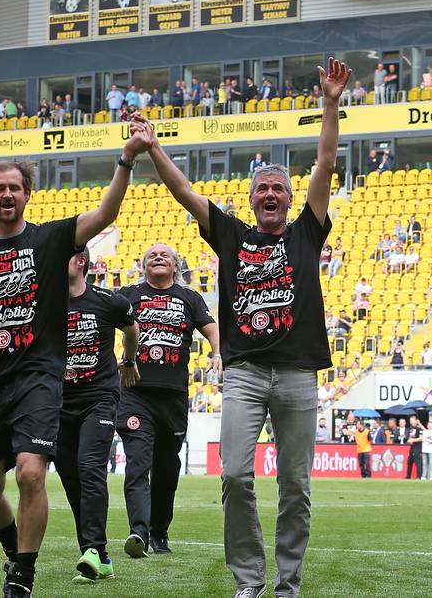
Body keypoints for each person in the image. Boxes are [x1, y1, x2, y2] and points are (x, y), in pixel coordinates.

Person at [0, 117, 151, 597]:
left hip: (38, 376)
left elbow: (104, 214)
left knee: (31, 472)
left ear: (27, 194)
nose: (7, 195)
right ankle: (13, 547)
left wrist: (125, 160)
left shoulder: (50, 239)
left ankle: (23, 575)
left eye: (15, 187)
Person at [140, 58, 348, 598]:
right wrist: (153, 147)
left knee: (297, 486)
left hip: (300, 373)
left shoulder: (306, 232)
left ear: (288, 196)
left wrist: (329, 103)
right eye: (263, 189)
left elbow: (324, 164)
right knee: (234, 477)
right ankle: (250, 579)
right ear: (253, 198)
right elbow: (184, 192)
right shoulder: (231, 235)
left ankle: (288, 581)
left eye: (279, 187)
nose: (272, 194)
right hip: (246, 374)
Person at [117, 243, 220, 558]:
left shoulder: (190, 298)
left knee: (166, 468)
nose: (158, 258)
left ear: (175, 266)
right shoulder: (127, 295)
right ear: (143, 265)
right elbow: (99, 322)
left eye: (164, 255)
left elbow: (212, 328)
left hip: (173, 396)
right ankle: (139, 532)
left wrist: (217, 352)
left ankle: (159, 532)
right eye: (151, 255)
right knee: (137, 463)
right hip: (135, 393)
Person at [57, 249, 138, 583]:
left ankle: (92, 548)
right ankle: (99, 555)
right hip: (58, 402)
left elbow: (131, 329)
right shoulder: (45, 303)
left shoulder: (109, 301)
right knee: (70, 475)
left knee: (90, 467)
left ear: (79, 262)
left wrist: (129, 361)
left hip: (99, 398)